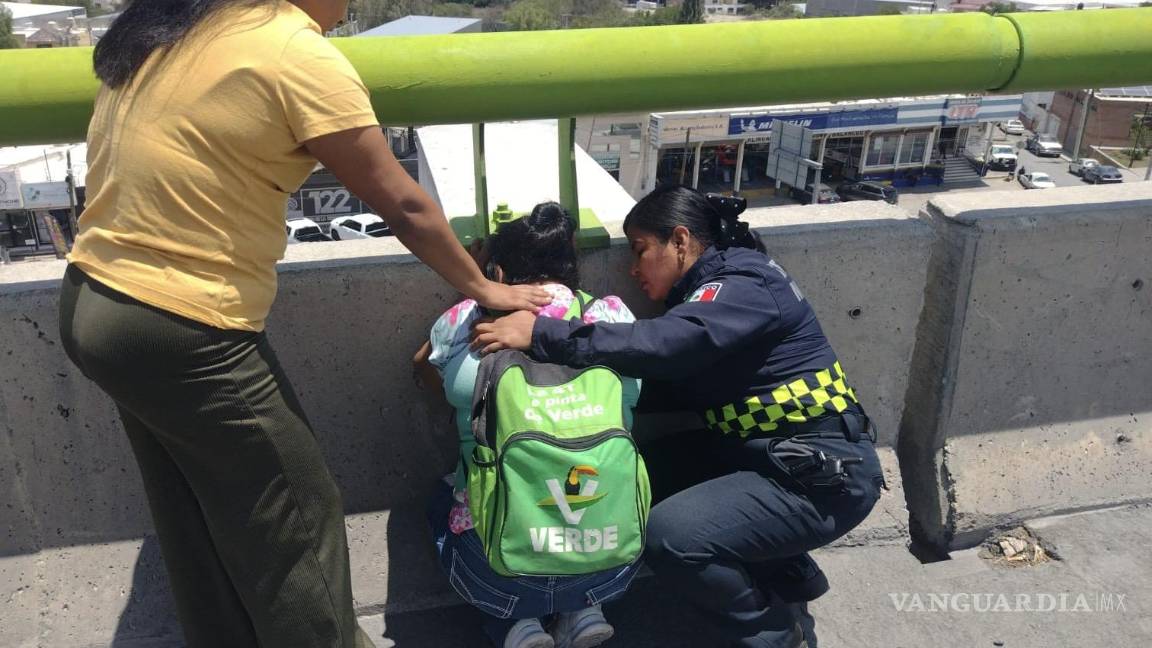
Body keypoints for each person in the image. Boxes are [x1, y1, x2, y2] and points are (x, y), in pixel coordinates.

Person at [56, 1, 548, 647]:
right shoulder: (294, 52)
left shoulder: (178, 24)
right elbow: (402, 202)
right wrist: (485, 287)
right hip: (181, 325)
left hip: (93, 301)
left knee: (193, 515)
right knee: (296, 518)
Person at [472, 185, 887, 648]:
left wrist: (543, 333)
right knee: (632, 472)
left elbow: (664, 344)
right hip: (763, 454)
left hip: (819, 475)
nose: (633, 268)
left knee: (670, 536)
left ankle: (772, 633)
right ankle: (786, 573)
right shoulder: (710, 292)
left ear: (681, 241)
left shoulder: (745, 282)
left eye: (640, 250)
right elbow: (665, 380)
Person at [414, 203, 642, 648]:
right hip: (611, 564)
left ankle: (513, 624)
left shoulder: (467, 319)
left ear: (497, 271)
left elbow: (422, 368)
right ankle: (583, 609)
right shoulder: (612, 316)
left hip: (499, 577)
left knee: (443, 496)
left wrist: (471, 286)